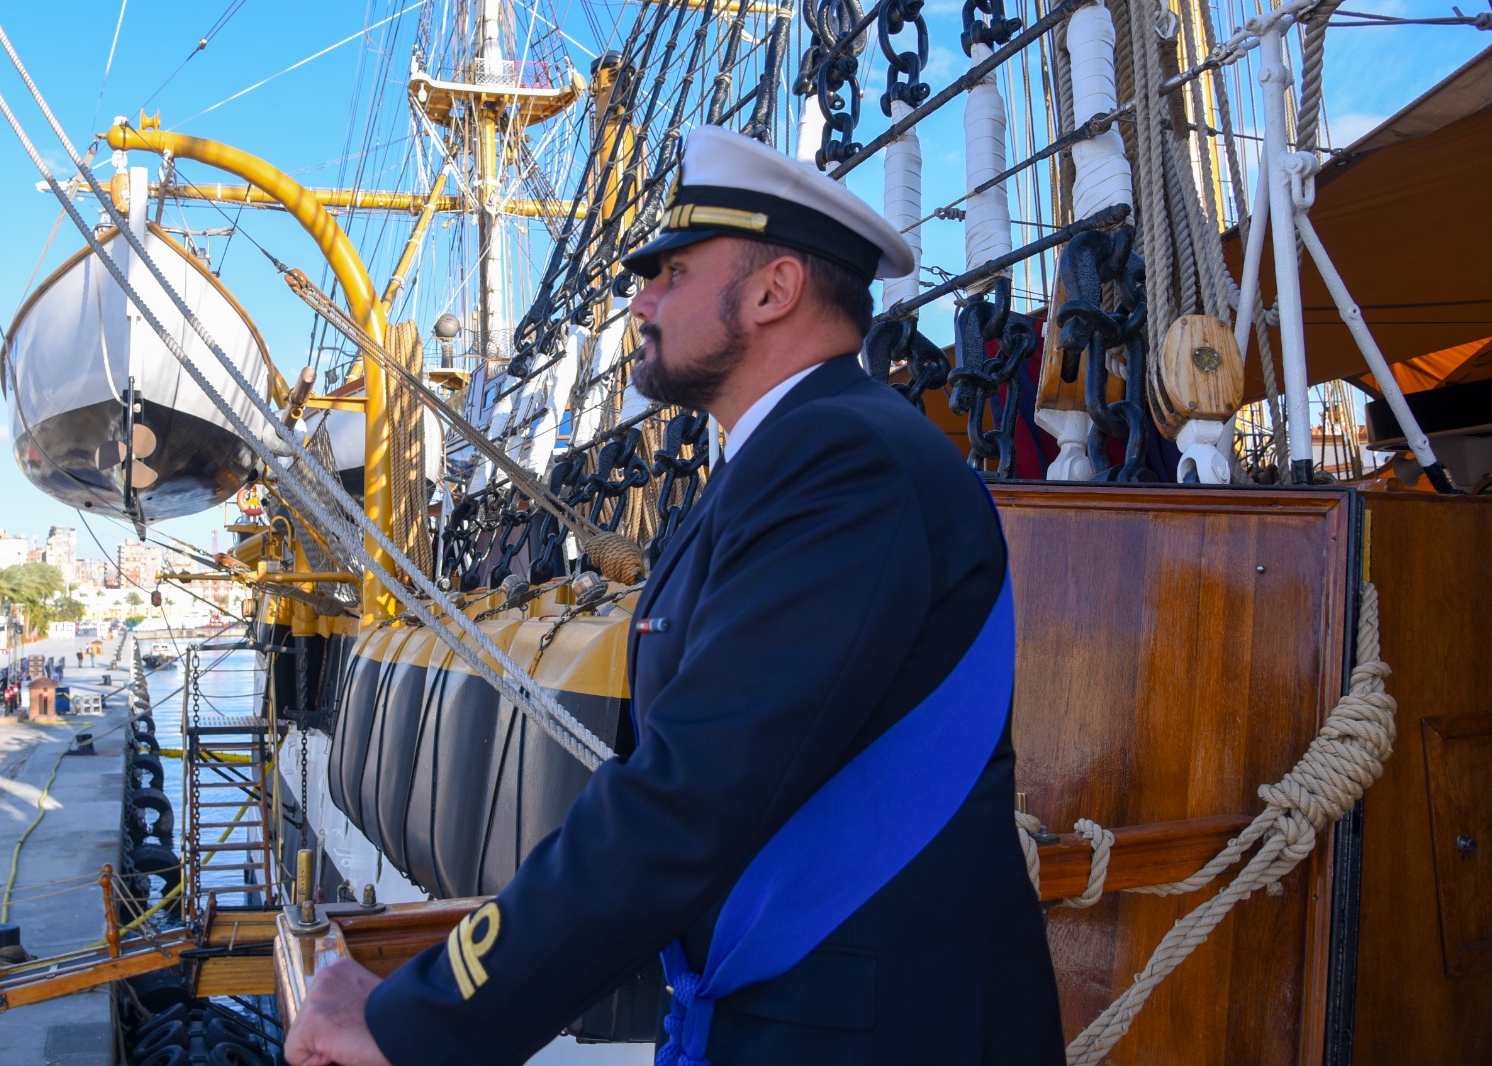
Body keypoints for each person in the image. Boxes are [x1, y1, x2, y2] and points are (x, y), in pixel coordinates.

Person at [285, 125, 1063, 1065]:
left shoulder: (845, 465)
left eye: (675, 272)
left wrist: (415, 1017)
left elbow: (687, 797)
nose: (641, 301)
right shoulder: (778, 466)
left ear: (774, 291)